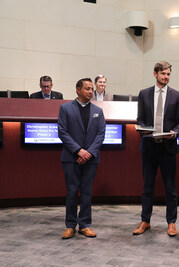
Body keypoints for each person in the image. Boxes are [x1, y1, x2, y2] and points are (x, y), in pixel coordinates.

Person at [133, 61, 179, 237]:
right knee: (147, 186)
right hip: (149, 147)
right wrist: (142, 130)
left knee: (170, 187)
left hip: (168, 147)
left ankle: (171, 223)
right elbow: (140, 119)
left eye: (168, 74)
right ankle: (145, 220)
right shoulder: (144, 94)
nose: (166, 77)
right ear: (155, 74)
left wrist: (176, 132)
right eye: (163, 74)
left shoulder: (177, 95)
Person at [57, 78, 106, 239]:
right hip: (71, 158)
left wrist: (89, 153)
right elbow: (62, 132)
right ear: (78, 90)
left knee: (86, 192)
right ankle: (70, 225)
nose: (91, 92)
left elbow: (101, 134)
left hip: (91, 159)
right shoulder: (65, 108)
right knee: (71, 192)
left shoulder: (97, 111)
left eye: (92, 89)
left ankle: (84, 225)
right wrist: (79, 151)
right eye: (87, 89)